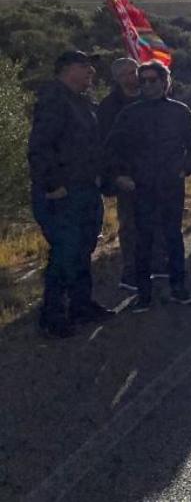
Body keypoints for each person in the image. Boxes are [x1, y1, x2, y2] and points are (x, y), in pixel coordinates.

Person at [27, 51, 111, 338]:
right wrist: (52, 185)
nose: (90, 71)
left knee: (83, 249)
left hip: (85, 188)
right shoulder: (54, 99)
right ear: (65, 69)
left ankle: (81, 305)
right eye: (82, 66)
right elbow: (40, 146)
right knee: (65, 253)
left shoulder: (81, 101)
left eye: (90, 67)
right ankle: (52, 315)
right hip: (63, 193)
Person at [106, 62, 191, 311]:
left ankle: (179, 287)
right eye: (143, 80)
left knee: (172, 236)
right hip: (141, 187)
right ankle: (143, 294)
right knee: (142, 239)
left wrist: (185, 169)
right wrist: (119, 176)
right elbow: (111, 148)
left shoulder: (179, 111)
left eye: (152, 80)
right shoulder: (129, 113)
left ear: (164, 82)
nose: (147, 85)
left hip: (171, 185)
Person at [97, 57, 150, 291]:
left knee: (157, 221)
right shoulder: (109, 107)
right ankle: (131, 272)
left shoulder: (150, 98)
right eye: (128, 73)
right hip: (127, 177)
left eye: (135, 71)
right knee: (130, 226)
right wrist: (117, 175)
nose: (133, 76)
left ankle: (158, 267)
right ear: (118, 78)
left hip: (155, 174)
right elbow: (105, 146)